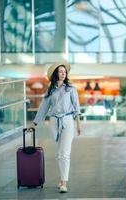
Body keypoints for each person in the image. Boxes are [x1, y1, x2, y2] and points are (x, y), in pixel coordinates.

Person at [28, 62, 81, 193]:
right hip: (54, 122)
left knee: (64, 153)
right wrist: (34, 123)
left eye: (65, 72)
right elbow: (43, 108)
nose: (63, 73)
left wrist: (78, 124)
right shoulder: (50, 90)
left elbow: (76, 107)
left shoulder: (71, 88)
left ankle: (64, 182)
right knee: (59, 153)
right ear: (56, 74)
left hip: (68, 120)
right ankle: (62, 178)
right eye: (61, 71)